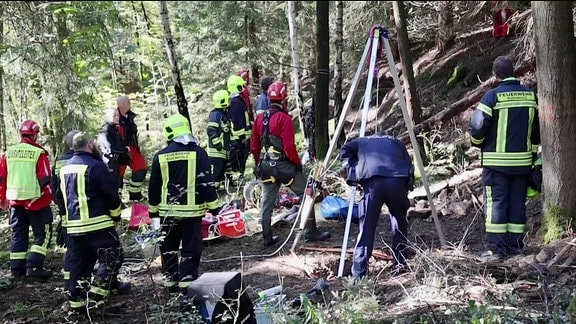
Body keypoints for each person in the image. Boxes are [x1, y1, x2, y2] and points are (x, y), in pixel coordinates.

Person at [470, 56, 539, 260]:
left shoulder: (491, 97)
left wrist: (477, 143)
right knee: (517, 203)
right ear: (513, 72)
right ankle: (516, 248)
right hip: (523, 163)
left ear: (495, 75)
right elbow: (536, 132)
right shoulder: (530, 97)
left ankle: (495, 249)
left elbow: (478, 126)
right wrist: (533, 156)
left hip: (496, 164)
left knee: (497, 203)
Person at [55, 132, 130, 313]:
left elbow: (59, 197)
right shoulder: (96, 166)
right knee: (113, 257)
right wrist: (116, 215)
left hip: (73, 228)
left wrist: (65, 220)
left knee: (80, 265)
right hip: (98, 225)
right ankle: (96, 299)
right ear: (89, 145)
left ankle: (78, 304)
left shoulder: (64, 168)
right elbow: (110, 193)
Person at [251, 81, 330, 247]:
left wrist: (258, 163)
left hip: (266, 166)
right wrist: (296, 163)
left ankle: (266, 237)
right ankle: (311, 232)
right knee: (308, 192)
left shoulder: (260, 118)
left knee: (267, 201)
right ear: (284, 99)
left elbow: (254, 145)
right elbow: (288, 147)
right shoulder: (283, 119)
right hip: (283, 166)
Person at [148, 114, 220, 291]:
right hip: (191, 214)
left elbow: (154, 187)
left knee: (168, 247)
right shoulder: (199, 153)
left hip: (167, 213)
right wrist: (214, 207)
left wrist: (153, 213)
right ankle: (187, 284)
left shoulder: (160, 156)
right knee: (190, 248)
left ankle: (170, 282)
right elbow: (206, 183)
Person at [340, 134, 414, 279]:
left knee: (367, 227)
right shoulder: (396, 141)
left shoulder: (360, 142)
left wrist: (352, 171)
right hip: (397, 180)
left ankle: (359, 275)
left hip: (373, 183)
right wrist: (408, 182)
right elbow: (409, 164)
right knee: (399, 222)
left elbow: (345, 150)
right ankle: (400, 266)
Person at [0, 120, 54, 279]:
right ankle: (34, 266)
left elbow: (2, 179)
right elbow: (45, 180)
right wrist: (52, 198)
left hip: (15, 202)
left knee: (19, 234)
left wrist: (2, 198)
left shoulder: (8, 153)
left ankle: (17, 270)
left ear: (20, 133)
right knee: (44, 234)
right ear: (36, 134)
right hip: (36, 202)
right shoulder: (39, 153)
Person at [52, 129, 81, 291]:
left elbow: (54, 186)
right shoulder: (85, 159)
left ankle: (68, 281)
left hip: (65, 211)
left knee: (71, 248)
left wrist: (60, 205)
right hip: (83, 211)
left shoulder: (59, 162)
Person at [117, 95, 147, 201]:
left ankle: (135, 194)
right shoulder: (115, 117)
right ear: (123, 104)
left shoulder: (130, 117)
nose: (130, 104)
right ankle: (117, 199)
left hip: (132, 147)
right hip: (119, 151)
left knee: (141, 168)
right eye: (128, 102)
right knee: (117, 175)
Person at [98, 108, 131, 197]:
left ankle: (116, 202)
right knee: (111, 185)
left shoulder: (113, 129)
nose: (117, 117)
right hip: (109, 162)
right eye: (114, 116)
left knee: (116, 183)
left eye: (117, 115)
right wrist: (125, 150)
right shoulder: (105, 131)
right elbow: (111, 148)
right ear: (107, 117)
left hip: (115, 161)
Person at [207, 90, 233, 192]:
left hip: (225, 150)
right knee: (217, 172)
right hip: (217, 151)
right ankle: (214, 191)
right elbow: (211, 131)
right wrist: (217, 144)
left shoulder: (224, 113)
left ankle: (227, 187)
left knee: (227, 169)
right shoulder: (215, 115)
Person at [227, 75, 251, 180]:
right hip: (239, 139)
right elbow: (238, 121)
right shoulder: (235, 102)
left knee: (242, 158)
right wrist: (243, 137)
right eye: (241, 86)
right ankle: (238, 179)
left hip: (241, 138)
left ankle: (240, 176)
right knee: (238, 158)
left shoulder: (237, 100)